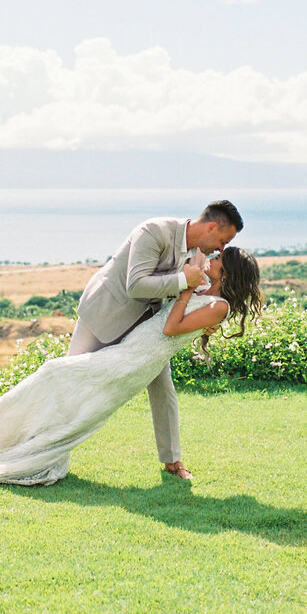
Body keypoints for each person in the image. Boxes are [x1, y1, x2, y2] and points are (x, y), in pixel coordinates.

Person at [0, 247, 263, 486]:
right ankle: (20, 435)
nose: (210, 259)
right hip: (131, 350)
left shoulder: (218, 307)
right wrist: (189, 276)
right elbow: (186, 264)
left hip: (133, 362)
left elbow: (169, 327)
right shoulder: (201, 292)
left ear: (227, 274)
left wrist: (183, 290)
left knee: (56, 372)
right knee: (64, 386)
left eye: (218, 259)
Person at [69, 200, 243, 480]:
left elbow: (192, 297)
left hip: (147, 328)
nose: (221, 250)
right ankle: (46, 445)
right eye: (223, 241)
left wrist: (205, 322)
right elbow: (136, 285)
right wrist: (182, 281)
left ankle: (173, 462)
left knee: (164, 389)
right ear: (211, 227)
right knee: (70, 380)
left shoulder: (198, 254)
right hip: (104, 314)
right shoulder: (153, 232)